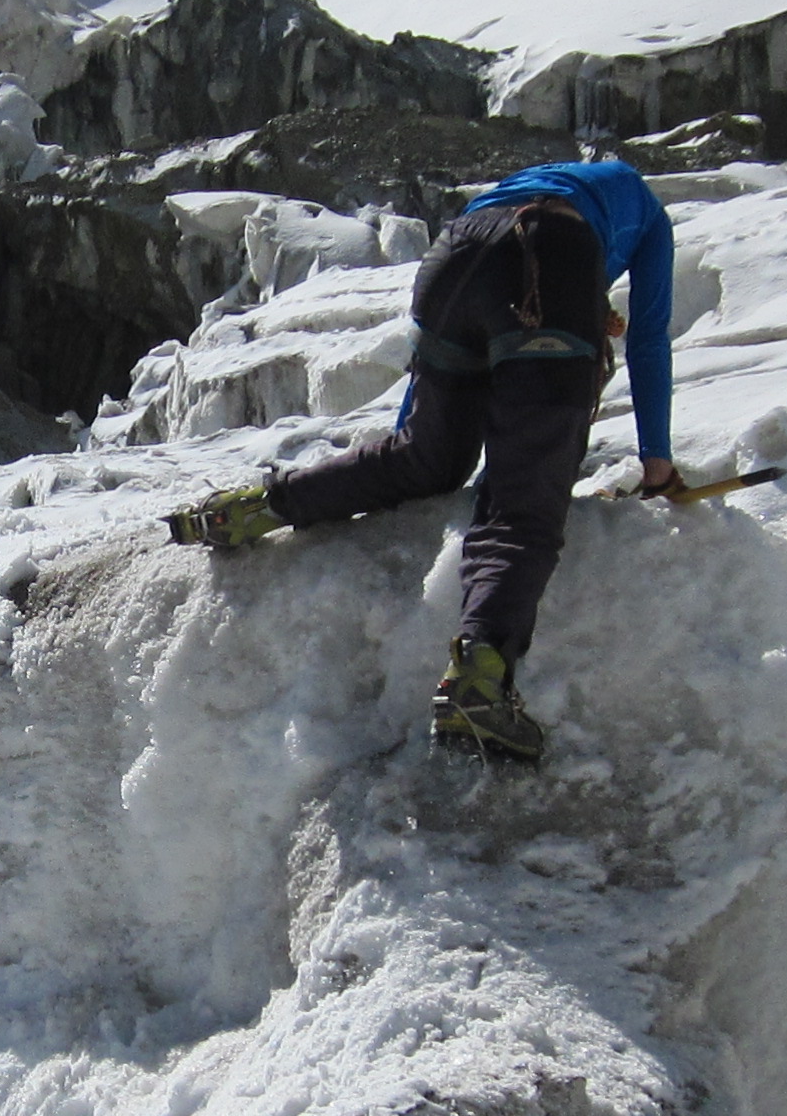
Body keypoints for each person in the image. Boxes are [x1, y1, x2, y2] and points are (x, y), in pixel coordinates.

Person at [165, 155, 688, 766]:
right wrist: (656, 462)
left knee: (429, 460)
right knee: (524, 496)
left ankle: (252, 508)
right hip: (550, 250)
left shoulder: (541, 185)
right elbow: (647, 338)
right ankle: (480, 684)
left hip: (455, 255)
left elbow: (461, 353)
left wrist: (413, 447)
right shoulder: (647, 217)